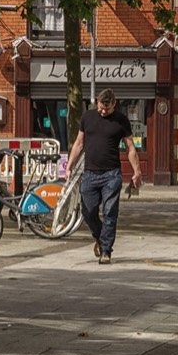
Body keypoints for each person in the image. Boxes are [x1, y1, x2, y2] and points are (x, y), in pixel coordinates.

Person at [65, 88, 142, 265]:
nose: (102, 111)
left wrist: (137, 172)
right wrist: (69, 167)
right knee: (88, 212)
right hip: (90, 173)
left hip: (111, 174)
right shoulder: (88, 117)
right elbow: (78, 144)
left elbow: (130, 148)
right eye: (100, 108)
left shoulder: (121, 120)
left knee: (110, 212)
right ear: (97, 103)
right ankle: (100, 238)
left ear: (114, 104)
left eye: (106, 109)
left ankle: (106, 251)